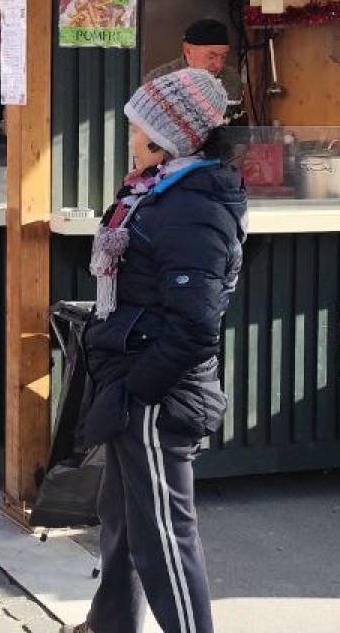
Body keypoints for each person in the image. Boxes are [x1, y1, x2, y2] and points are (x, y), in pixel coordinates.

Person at [69, 67, 245, 633]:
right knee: (121, 519)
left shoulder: (190, 206)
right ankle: (109, 625)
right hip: (135, 380)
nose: (129, 138)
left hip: (157, 395)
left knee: (163, 536)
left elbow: (195, 326)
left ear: (163, 137)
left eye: (136, 128)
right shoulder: (156, 192)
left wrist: (135, 390)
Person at [145, 19, 232, 85]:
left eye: (223, 57)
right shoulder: (157, 81)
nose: (219, 65)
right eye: (211, 57)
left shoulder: (232, 80)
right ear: (188, 51)